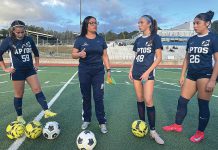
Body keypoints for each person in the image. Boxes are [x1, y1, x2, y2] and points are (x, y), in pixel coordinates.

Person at [163, 11, 218, 143]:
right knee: (182, 101)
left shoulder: (213, 38)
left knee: (203, 105)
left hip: (205, 75)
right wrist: (182, 75)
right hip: (191, 75)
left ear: (207, 23)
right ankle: (177, 125)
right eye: (193, 23)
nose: (194, 25)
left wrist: (212, 80)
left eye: (197, 23)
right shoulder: (192, 40)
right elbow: (187, 59)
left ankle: (200, 132)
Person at [0, 20, 57, 124]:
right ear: (13, 31)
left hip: (30, 70)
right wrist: (4, 68)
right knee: (19, 94)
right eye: (18, 32)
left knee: (37, 89)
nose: (21, 34)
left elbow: (36, 52)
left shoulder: (29, 39)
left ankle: (46, 110)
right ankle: (19, 116)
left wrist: (37, 64)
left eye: (22, 32)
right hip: (17, 71)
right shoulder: (8, 41)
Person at [128, 15, 164, 144]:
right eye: (138, 22)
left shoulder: (155, 38)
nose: (139, 24)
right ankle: (142, 125)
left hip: (147, 74)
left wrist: (148, 72)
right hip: (137, 72)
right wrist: (131, 70)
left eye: (141, 22)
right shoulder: (138, 40)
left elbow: (159, 58)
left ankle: (153, 132)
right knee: (139, 99)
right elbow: (136, 56)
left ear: (149, 24)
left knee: (148, 100)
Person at [72, 16, 111, 134]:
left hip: (98, 72)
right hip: (84, 71)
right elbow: (73, 54)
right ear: (86, 25)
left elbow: (104, 55)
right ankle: (87, 119)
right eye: (91, 23)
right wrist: (79, 54)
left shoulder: (100, 39)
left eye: (96, 23)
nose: (95, 25)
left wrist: (108, 70)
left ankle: (102, 122)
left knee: (99, 97)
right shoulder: (80, 39)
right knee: (86, 97)